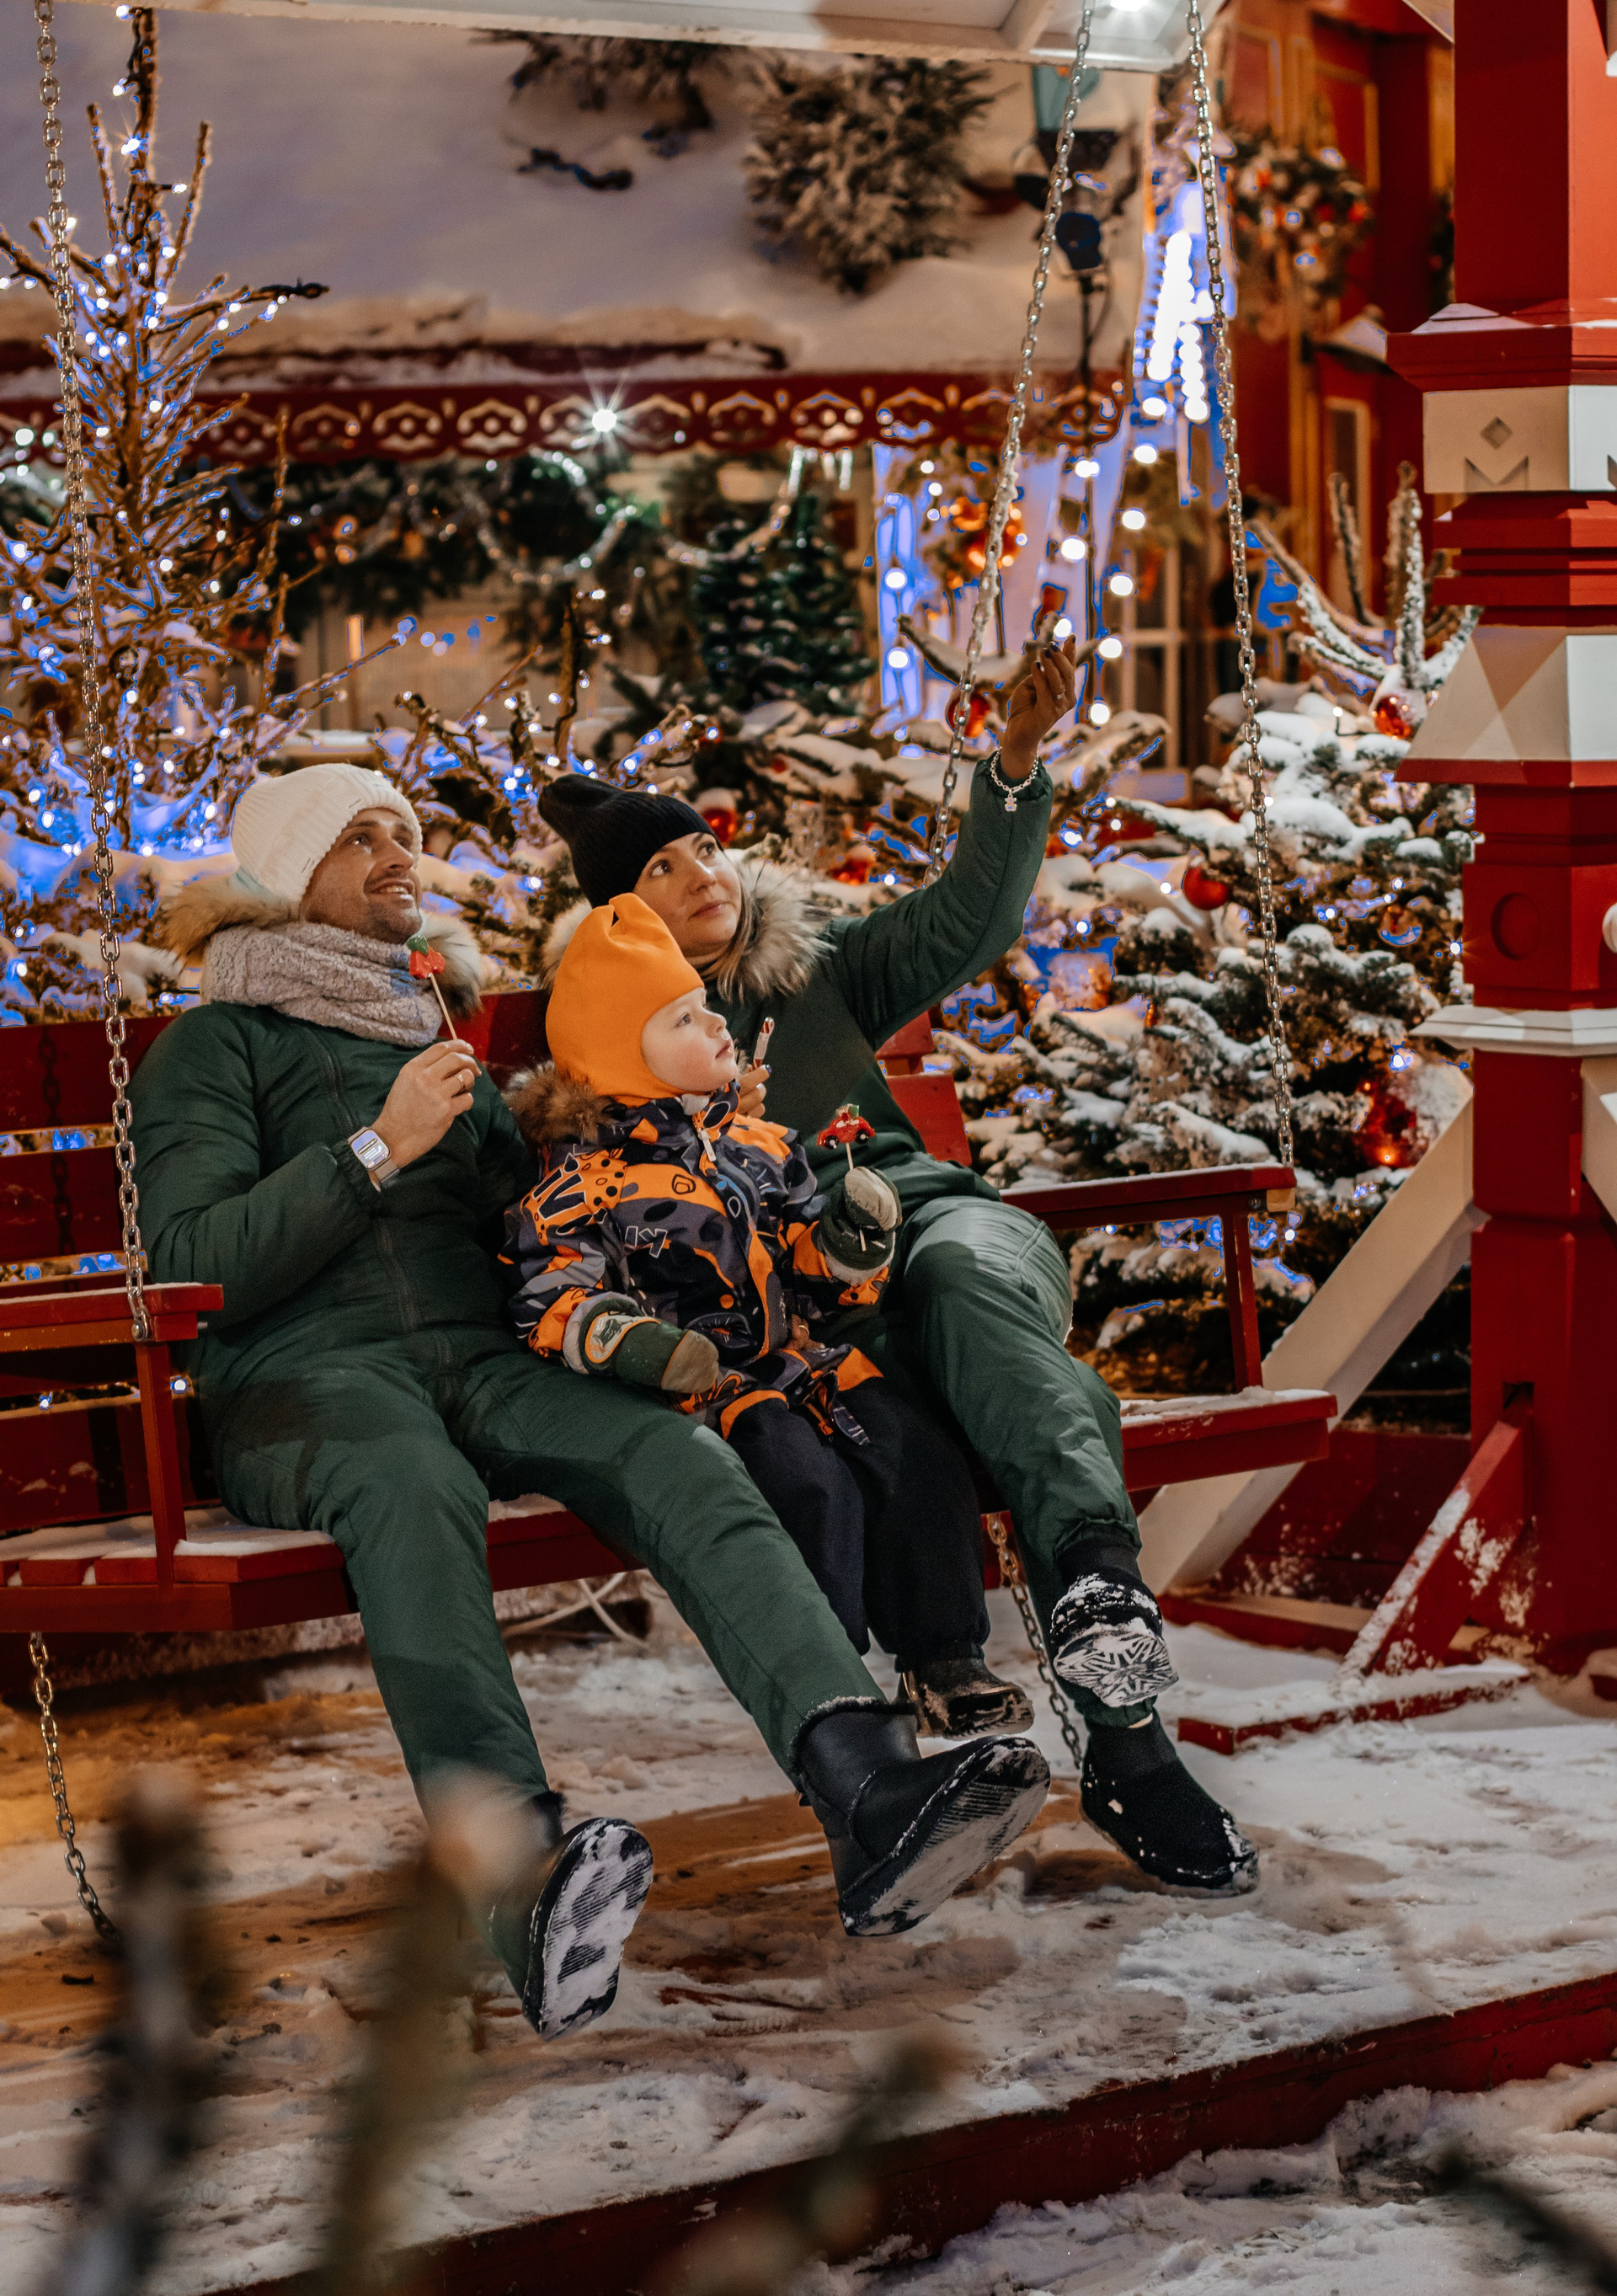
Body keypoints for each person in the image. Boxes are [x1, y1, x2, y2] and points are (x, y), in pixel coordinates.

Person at [135, 764, 1051, 2042]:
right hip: (309, 1380)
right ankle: (518, 1879)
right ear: (290, 877)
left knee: (678, 1454)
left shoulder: (429, 1032)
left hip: (484, 1360)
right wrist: (375, 1150)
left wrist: (681, 1172)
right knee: (411, 1488)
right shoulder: (214, 1047)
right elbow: (194, 1264)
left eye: (407, 832)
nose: (401, 854)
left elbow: (537, 1224)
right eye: (361, 838)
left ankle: (866, 1787)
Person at [541, 640, 1259, 1897]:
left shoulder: (808, 974)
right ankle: (1123, 1736)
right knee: (1009, 1390)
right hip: (810, 1306)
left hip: (928, 1223)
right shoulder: (616, 1044)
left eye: (702, 847)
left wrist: (1014, 762)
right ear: (619, 917)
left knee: (971, 1295)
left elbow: (967, 917)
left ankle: (1102, 1617)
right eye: (659, 870)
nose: (700, 873)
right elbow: (573, 1216)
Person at [504, 889, 1035, 1751]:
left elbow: (809, 1283)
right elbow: (552, 1296)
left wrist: (849, 1248)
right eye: (684, 1019)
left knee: (916, 1455)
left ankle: (947, 1660)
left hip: (803, 1363)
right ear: (622, 1060)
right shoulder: (583, 1186)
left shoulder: (758, 1147)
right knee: (804, 1485)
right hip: (706, 1392)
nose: (718, 1025)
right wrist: (636, 1346)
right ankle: (832, 1688)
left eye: (705, 1006)